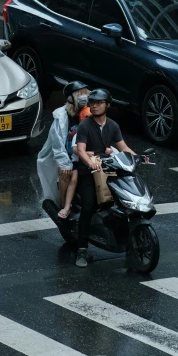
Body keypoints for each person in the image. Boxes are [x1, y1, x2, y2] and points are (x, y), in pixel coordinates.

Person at [74, 87, 137, 268]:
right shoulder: (85, 126)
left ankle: (127, 242)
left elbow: (123, 147)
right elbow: (80, 150)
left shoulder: (113, 125)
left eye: (98, 103)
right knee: (88, 206)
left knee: (124, 201)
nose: (94, 106)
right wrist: (90, 162)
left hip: (109, 168)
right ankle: (82, 249)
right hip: (89, 172)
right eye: (92, 103)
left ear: (107, 105)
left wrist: (137, 157)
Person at [36, 80, 90, 213]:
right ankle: (64, 203)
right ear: (71, 98)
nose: (84, 97)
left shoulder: (89, 112)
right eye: (80, 94)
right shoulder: (61, 117)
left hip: (86, 152)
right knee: (66, 174)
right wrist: (65, 164)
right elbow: (58, 145)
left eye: (85, 93)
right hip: (68, 155)